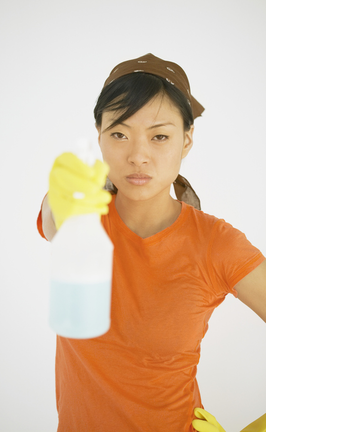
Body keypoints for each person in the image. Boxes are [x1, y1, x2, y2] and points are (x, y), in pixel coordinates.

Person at [37, 53, 266, 432]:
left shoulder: (216, 244)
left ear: (187, 140)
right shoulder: (80, 218)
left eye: (159, 136)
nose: (138, 156)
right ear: (100, 137)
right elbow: (53, 220)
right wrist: (59, 195)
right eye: (119, 134)